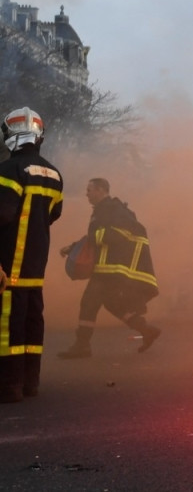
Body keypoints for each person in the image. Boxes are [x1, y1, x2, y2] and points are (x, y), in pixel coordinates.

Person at [0, 107, 63, 403]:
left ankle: (8, 386)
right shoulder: (53, 173)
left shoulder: (8, 171)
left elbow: (2, 215)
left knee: (7, 325)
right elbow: (52, 215)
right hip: (36, 266)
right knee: (31, 321)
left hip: (6, 265)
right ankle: (30, 383)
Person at [57, 178, 160, 358]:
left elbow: (117, 234)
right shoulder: (104, 210)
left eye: (90, 190)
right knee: (112, 303)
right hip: (108, 269)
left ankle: (82, 345)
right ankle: (146, 329)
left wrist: (90, 239)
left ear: (101, 190)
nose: (86, 194)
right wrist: (74, 247)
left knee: (89, 302)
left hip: (111, 270)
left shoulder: (113, 209)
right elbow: (94, 237)